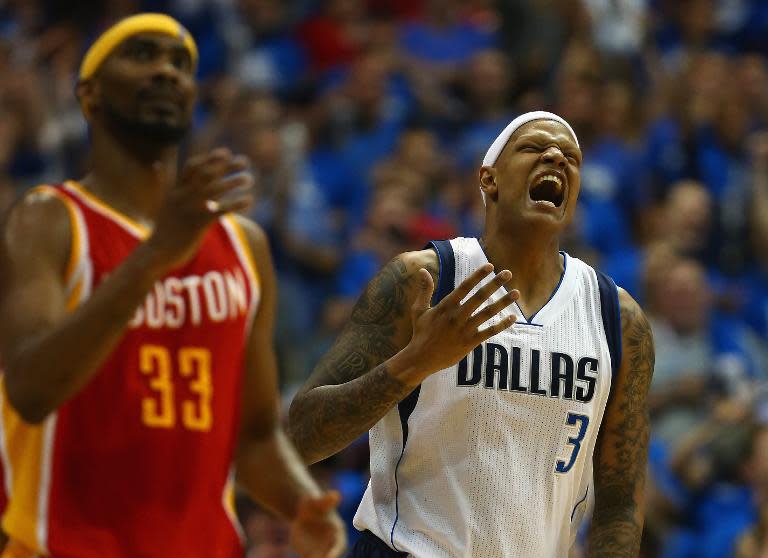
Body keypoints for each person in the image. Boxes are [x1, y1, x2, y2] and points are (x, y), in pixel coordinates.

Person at [0, 13, 345, 558]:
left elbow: (254, 437)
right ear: (88, 96)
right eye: (142, 55)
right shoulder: (48, 221)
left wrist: (300, 502)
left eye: (181, 63)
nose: (166, 72)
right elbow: (29, 389)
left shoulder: (243, 244)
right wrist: (158, 253)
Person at [289, 111, 655, 557]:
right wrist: (416, 362)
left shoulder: (616, 318)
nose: (557, 157)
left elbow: (619, 501)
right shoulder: (423, 280)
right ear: (489, 180)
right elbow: (299, 438)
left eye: (571, 157)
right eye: (534, 148)